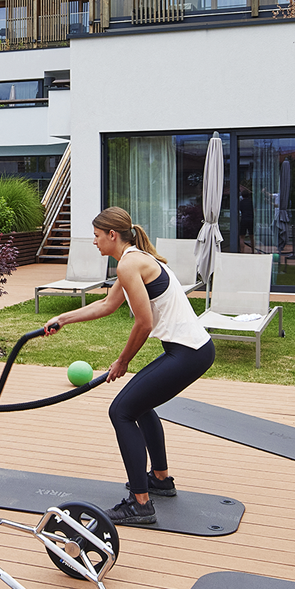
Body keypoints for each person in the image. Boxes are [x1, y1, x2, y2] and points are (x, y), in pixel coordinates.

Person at [43, 207, 215, 526]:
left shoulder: (129, 263)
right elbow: (108, 304)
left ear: (112, 235)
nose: (94, 241)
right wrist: (62, 319)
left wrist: (123, 361)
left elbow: (144, 323)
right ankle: (160, 479)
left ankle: (140, 504)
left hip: (189, 353)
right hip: (192, 350)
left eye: (97, 236)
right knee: (139, 406)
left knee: (121, 411)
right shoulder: (133, 260)